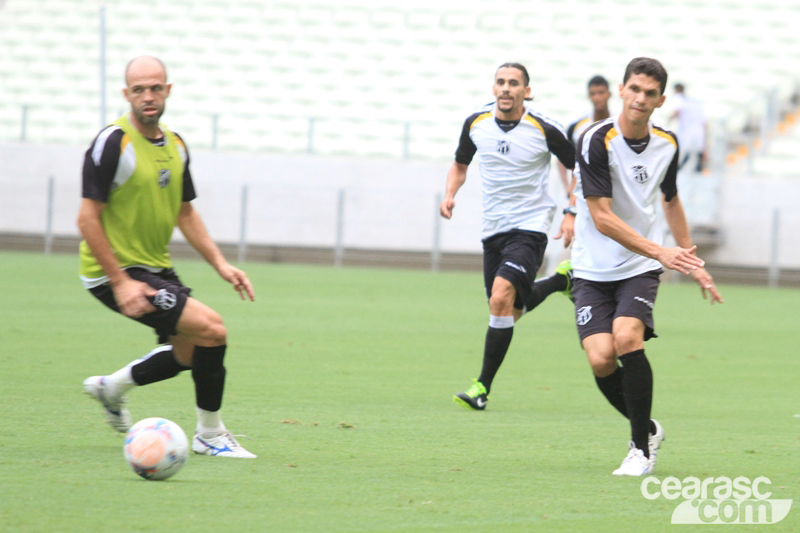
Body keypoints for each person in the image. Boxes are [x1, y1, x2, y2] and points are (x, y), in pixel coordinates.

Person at [78, 56, 257, 459]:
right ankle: (210, 435)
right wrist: (121, 281)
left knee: (191, 351)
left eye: (155, 88)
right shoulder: (113, 143)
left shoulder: (175, 145)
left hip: (155, 267)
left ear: (168, 91)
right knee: (212, 329)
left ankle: (113, 387)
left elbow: (184, 212)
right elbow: (87, 218)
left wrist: (221, 265)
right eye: (138, 89)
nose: (148, 96)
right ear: (127, 94)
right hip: (115, 271)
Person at [571, 57, 723, 476]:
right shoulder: (594, 140)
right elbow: (601, 217)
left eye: (650, 93)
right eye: (634, 89)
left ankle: (639, 450)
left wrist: (691, 260)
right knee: (601, 358)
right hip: (591, 265)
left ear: (660, 100)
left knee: (626, 337)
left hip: (639, 264)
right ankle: (649, 428)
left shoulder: (668, 144)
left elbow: (671, 200)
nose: (640, 98)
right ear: (622, 90)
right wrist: (662, 251)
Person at [440, 62, 576, 411]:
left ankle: (482, 388)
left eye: (513, 83)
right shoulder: (476, 124)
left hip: (530, 225)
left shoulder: (544, 128)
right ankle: (562, 281)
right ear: (493, 88)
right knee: (506, 312)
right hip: (493, 230)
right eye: (500, 82)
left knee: (501, 298)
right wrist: (450, 193)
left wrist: (571, 211)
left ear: (526, 92)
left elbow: (581, 168)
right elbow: (460, 163)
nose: (506, 88)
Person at [670, 83, 706, 172]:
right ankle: (698, 169)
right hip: (698, 130)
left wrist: (668, 121)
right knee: (696, 151)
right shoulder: (695, 102)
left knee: (685, 150)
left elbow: (676, 111)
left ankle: (678, 169)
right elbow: (705, 121)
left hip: (686, 130)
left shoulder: (679, 99)